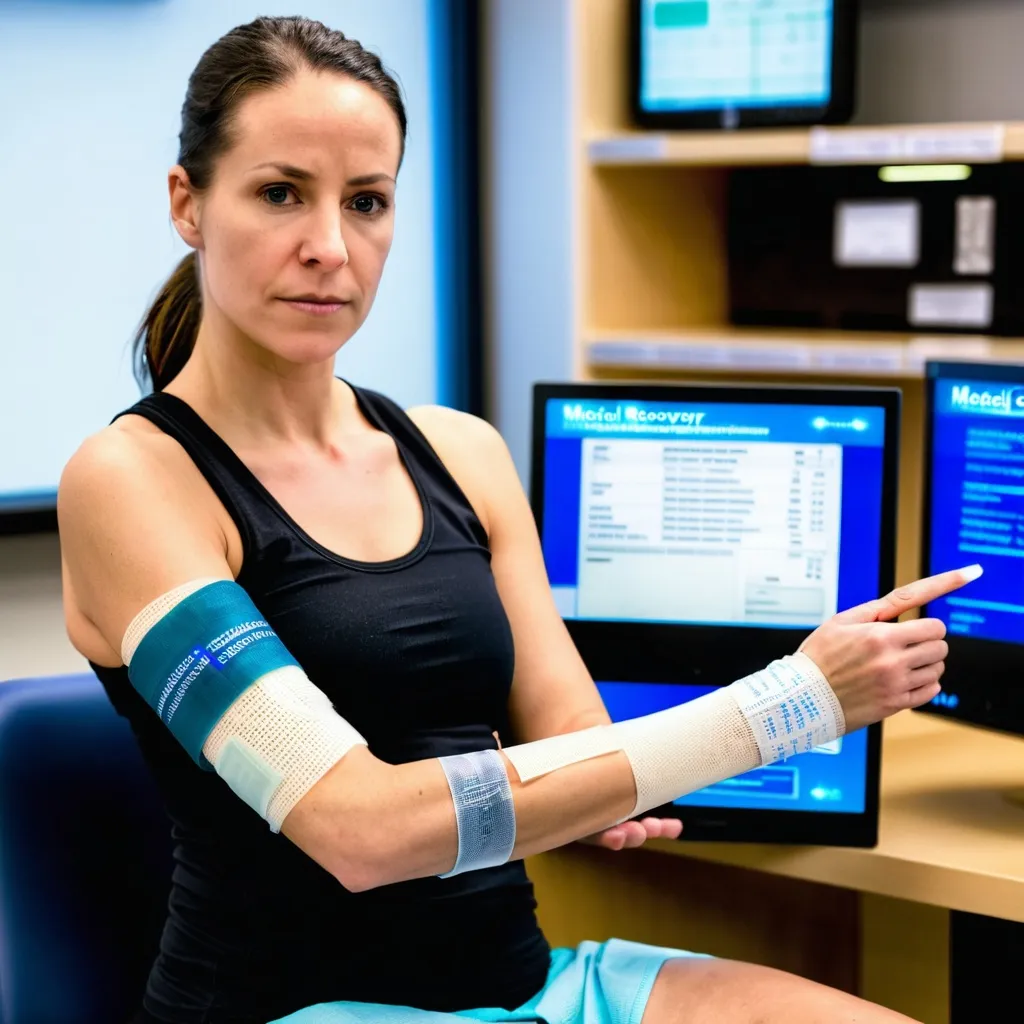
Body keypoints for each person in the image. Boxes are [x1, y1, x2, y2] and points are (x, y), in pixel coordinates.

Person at [57, 16, 971, 1024]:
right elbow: (358, 830)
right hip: (292, 1006)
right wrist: (795, 701)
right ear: (188, 203)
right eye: (279, 194)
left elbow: (573, 734)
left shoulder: (461, 452)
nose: (328, 247)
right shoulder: (131, 481)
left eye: (366, 202)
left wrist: (604, 789)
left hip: (526, 987)